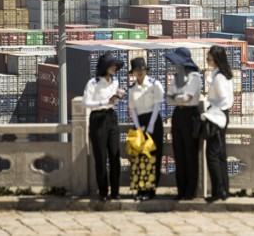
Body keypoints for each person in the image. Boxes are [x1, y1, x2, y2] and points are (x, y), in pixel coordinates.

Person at [82, 52, 125, 201]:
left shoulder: (115, 82)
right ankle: (103, 192)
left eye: (115, 65)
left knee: (115, 155)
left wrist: (117, 96)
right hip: (97, 119)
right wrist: (103, 102)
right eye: (112, 65)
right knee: (100, 157)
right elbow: (85, 103)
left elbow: (112, 103)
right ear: (105, 67)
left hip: (111, 117)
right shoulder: (92, 83)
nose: (114, 67)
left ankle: (115, 191)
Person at [165, 47, 202, 200]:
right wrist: (176, 97)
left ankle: (190, 192)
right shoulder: (176, 78)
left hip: (190, 115)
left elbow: (185, 98)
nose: (174, 65)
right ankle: (181, 190)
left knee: (190, 154)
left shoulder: (195, 77)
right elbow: (168, 99)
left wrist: (175, 97)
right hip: (177, 115)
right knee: (178, 153)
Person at [128, 57, 165, 201]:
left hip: (154, 122)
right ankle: (140, 189)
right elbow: (133, 110)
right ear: (133, 73)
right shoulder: (132, 89)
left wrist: (149, 127)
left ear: (145, 70)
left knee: (153, 158)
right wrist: (138, 128)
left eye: (141, 70)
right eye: (137, 70)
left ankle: (150, 190)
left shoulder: (155, 85)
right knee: (138, 158)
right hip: (139, 123)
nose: (139, 72)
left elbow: (157, 107)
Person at [204, 45, 235, 203]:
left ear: (216, 59)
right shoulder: (224, 75)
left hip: (217, 117)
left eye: (209, 58)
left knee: (212, 155)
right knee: (221, 154)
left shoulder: (219, 77)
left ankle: (218, 191)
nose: (207, 60)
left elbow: (224, 99)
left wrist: (212, 112)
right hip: (223, 115)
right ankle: (224, 190)